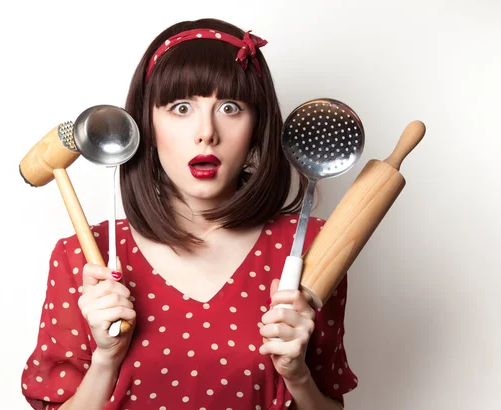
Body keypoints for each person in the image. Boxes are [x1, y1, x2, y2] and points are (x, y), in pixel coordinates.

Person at [21, 18, 358, 410]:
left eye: (230, 107)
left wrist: (297, 373)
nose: (206, 132)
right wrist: (106, 357)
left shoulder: (313, 248)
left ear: (257, 127)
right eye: (181, 108)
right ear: (146, 126)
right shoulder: (82, 255)